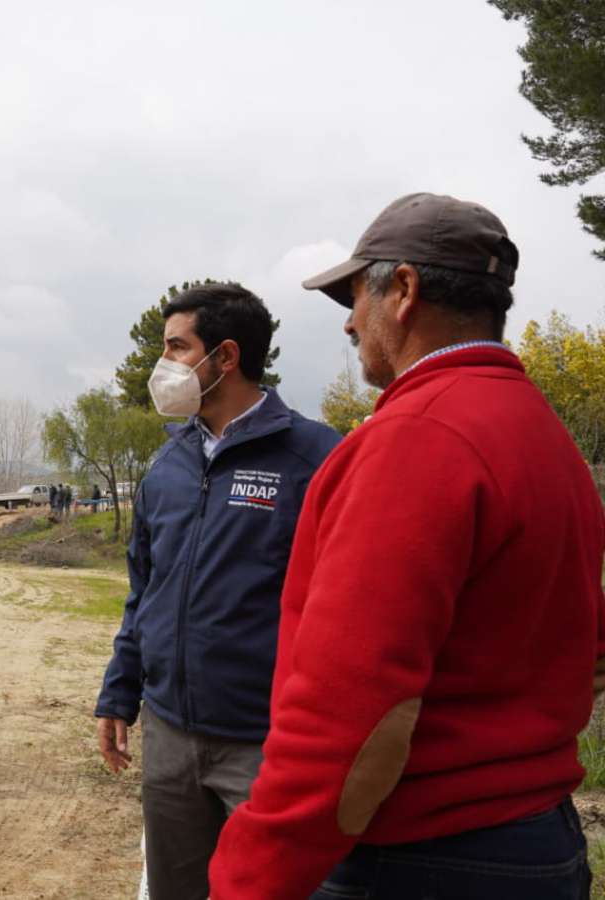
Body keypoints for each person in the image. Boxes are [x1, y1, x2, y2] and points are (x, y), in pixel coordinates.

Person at [209, 193, 605, 899]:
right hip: (537, 841)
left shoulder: (417, 439)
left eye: (356, 295)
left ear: (404, 292)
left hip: (422, 857)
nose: (350, 320)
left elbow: (350, 716)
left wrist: (247, 881)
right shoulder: (543, 436)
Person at [95, 283, 340, 900]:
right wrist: (119, 692)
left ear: (225, 357)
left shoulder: (316, 458)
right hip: (170, 735)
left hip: (267, 746)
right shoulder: (168, 464)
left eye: (178, 348)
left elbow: (341, 610)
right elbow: (144, 590)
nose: (164, 365)